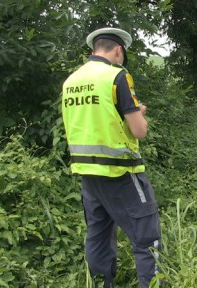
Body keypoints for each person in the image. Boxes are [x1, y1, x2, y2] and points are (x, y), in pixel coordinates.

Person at [61, 27, 161, 288]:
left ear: (94, 48)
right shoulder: (117, 76)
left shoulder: (71, 81)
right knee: (147, 239)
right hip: (122, 172)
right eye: (122, 55)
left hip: (87, 174)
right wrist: (140, 113)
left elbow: (95, 118)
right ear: (118, 50)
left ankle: (101, 284)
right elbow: (139, 130)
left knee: (98, 235)